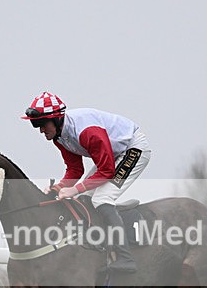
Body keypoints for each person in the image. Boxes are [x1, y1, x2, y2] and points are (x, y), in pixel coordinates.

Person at [21, 91, 151, 273]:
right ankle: (101, 245)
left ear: (57, 119)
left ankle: (125, 258)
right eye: (37, 126)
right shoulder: (59, 137)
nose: (41, 130)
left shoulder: (87, 132)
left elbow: (107, 171)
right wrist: (59, 187)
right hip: (113, 154)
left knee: (101, 199)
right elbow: (75, 170)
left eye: (42, 124)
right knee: (85, 197)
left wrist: (74, 190)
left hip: (133, 148)